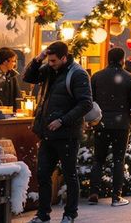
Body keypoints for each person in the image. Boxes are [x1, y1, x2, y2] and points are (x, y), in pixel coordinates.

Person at [23, 41, 92, 223]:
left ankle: (70, 213)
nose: (50, 63)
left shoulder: (77, 74)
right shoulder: (48, 69)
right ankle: (43, 214)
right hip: (47, 132)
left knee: (70, 174)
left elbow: (86, 103)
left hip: (67, 133)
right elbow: (28, 78)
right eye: (48, 60)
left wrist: (62, 120)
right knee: (43, 174)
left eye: (53, 60)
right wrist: (38, 59)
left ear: (64, 57)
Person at [87, 46, 131, 207]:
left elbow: (90, 102)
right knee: (119, 160)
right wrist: (130, 119)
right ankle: (116, 197)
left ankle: (94, 192)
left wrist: (95, 119)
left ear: (108, 59)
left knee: (98, 159)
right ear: (122, 60)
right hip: (121, 125)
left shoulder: (97, 77)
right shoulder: (129, 78)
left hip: (101, 124)